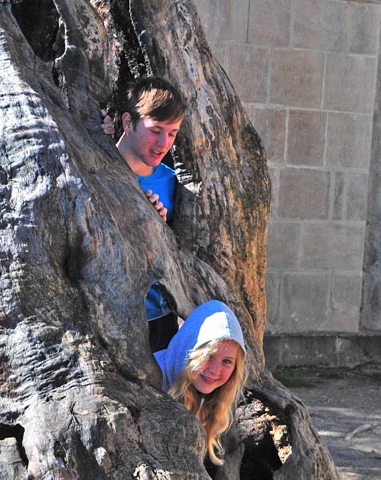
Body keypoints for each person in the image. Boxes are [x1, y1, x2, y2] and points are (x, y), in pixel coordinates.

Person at [102, 77, 186, 352]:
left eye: (172, 133)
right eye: (156, 130)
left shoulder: (174, 183)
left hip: (160, 319)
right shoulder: (94, 166)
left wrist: (158, 229)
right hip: (107, 315)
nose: (164, 143)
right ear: (128, 122)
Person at [154, 300, 247, 466]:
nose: (214, 370)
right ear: (189, 351)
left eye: (226, 361)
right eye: (208, 356)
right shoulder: (153, 379)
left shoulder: (203, 394)